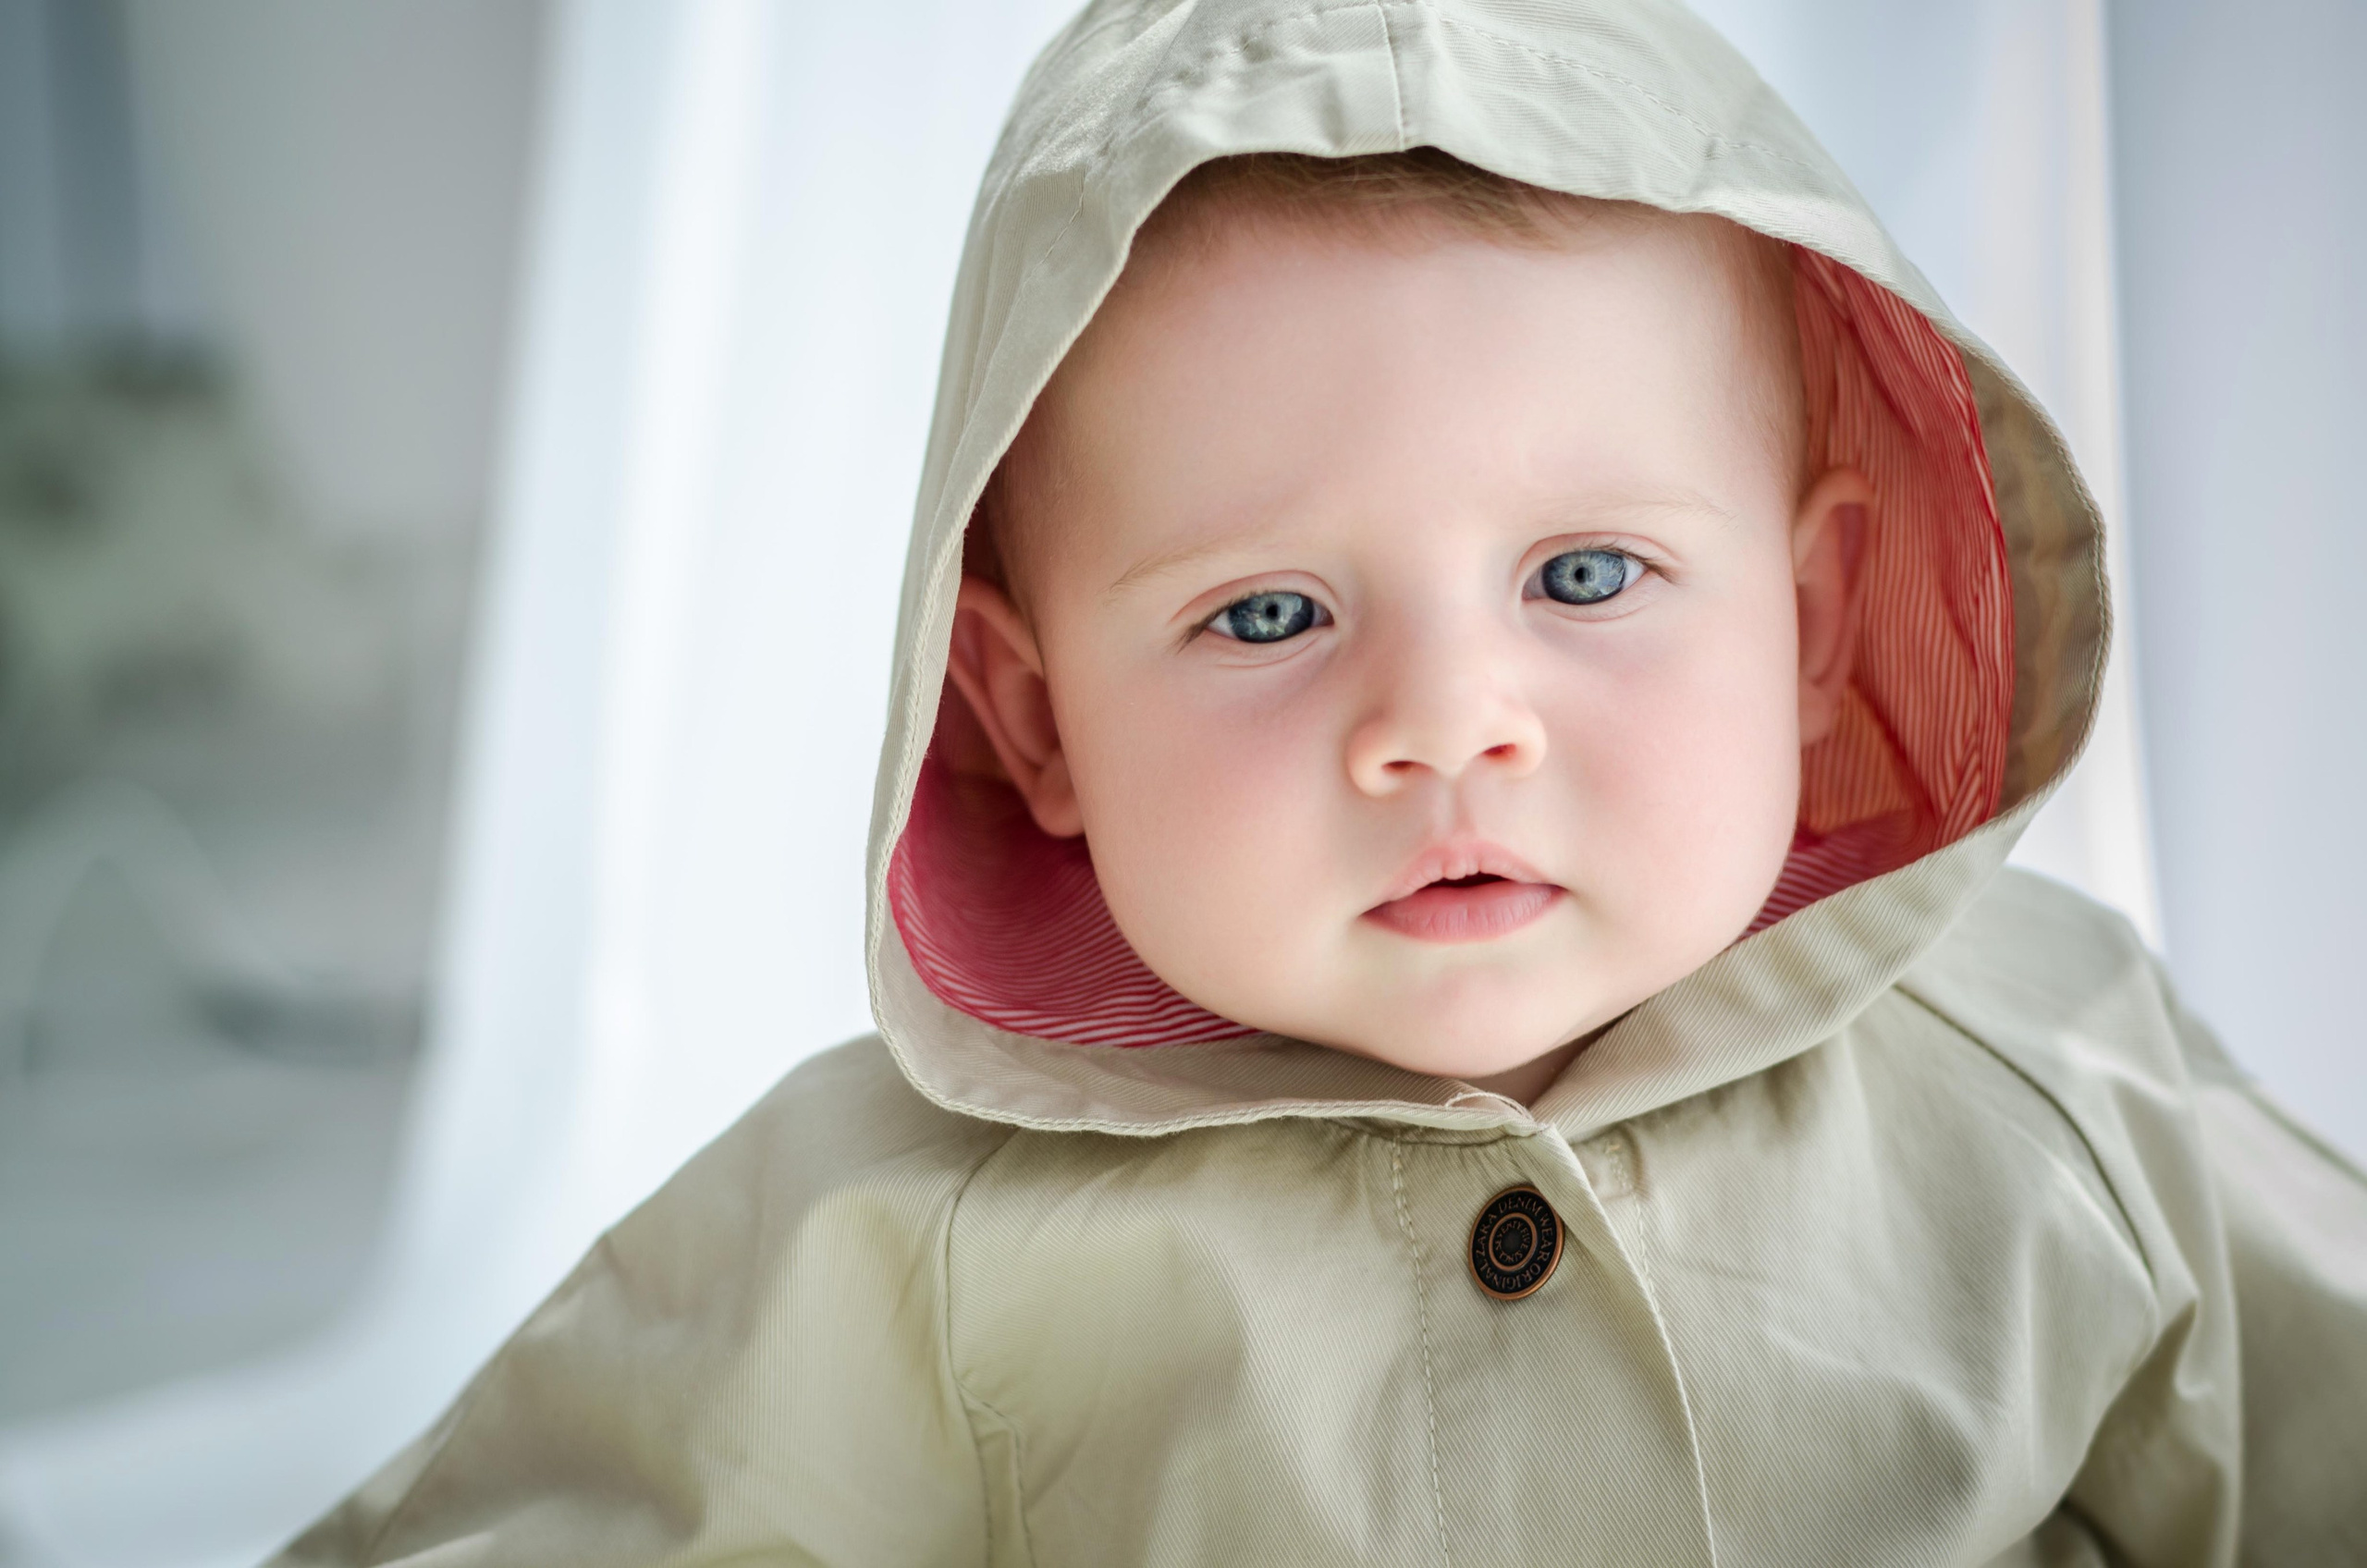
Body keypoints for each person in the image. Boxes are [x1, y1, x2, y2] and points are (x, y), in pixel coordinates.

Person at [273, 1, 2367, 1562]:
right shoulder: (883, 1232)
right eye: (1266, 616)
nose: (1447, 724)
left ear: (1812, 626)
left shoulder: (2052, 1075)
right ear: (1031, 719)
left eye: (1582, 574)